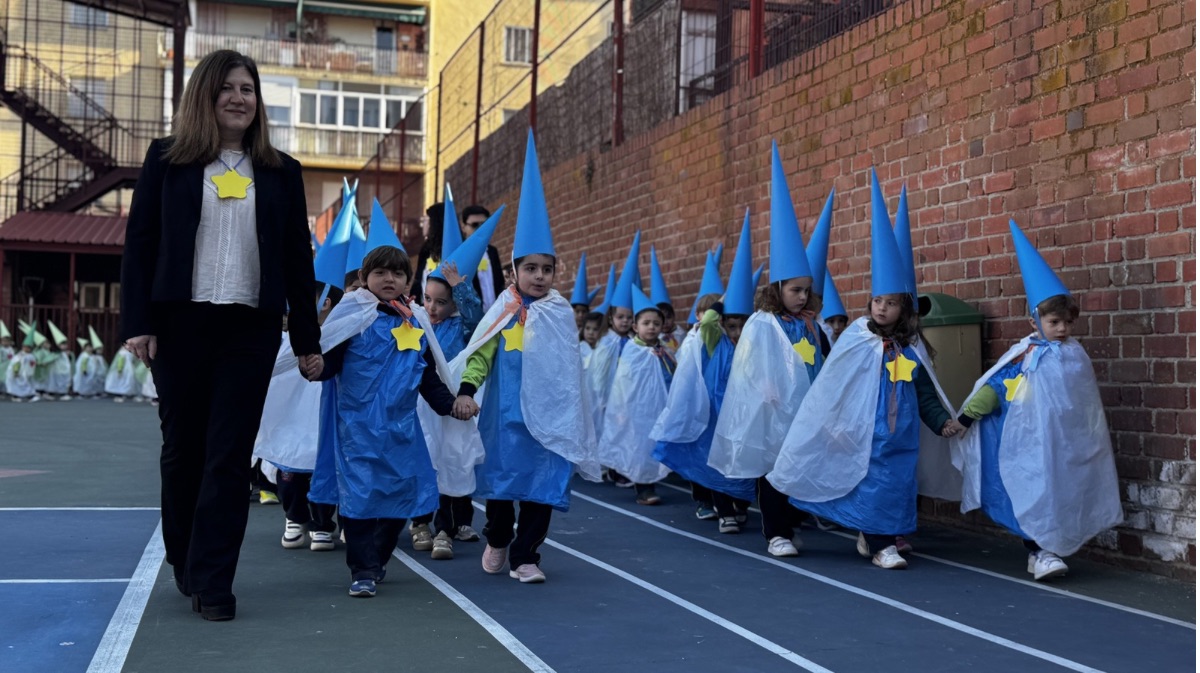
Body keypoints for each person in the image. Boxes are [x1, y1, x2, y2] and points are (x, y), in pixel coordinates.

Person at [120, 50, 322, 621]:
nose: (240, 98)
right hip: (179, 324)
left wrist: (307, 341)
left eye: (249, 89)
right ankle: (185, 555)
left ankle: (214, 579)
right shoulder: (168, 160)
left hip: (248, 329)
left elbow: (295, 261)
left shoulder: (282, 171)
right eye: (228, 88)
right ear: (205, 96)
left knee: (229, 455)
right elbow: (141, 243)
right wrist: (137, 322)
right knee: (184, 449)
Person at [768, 169, 963, 570]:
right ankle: (877, 543)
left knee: (895, 484)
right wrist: (832, 423)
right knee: (867, 479)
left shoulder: (910, 351)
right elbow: (835, 386)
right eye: (876, 300)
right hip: (863, 430)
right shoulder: (858, 338)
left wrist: (941, 420)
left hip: (900, 435)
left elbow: (924, 390)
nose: (881, 308)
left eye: (890, 303)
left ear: (904, 309)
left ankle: (879, 536)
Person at [454, 131, 599, 584]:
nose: (539, 276)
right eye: (530, 268)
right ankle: (498, 536)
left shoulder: (558, 313)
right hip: (507, 415)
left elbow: (568, 369)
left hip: (549, 419)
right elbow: (480, 354)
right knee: (504, 484)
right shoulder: (503, 311)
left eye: (547, 269)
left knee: (544, 482)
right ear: (513, 271)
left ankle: (527, 555)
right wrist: (466, 388)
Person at [954, 221, 1122, 580]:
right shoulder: (1025, 357)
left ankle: (1050, 549)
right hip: (1030, 442)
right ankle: (1039, 552)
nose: (1062, 329)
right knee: (1036, 492)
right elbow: (993, 389)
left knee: (1062, 492)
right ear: (1036, 320)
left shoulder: (1075, 355)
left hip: (1067, 444)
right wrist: (965, 419)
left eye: (1067, 322)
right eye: (1054, 321)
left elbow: (1083, 402)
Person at [313, 246, 472, 597]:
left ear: (407, 280)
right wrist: (316, 370)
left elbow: (427, 374)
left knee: (400, 499)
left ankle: (379, 559)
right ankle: (362, 569)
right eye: (381, 272)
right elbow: (332, 360)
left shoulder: (414, 319)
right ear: (363, 278)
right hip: (355, 429)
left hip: (401, 430)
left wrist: (451, 405)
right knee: (359, 500)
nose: (389, 279)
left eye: (397, 273)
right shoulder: (352, 315)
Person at [708, 153, 830, 559]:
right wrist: (769, 390)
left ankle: (791, 524)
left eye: (806, 290)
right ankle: (775, 531)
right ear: (777, 288)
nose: (802, 296)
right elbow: (752, 366)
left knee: (798, 469)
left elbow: (821, 364)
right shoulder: (763, 323)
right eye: (794, 290)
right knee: (773, 470)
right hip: (775, 409)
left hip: (805, 411)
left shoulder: (813, 324)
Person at [653, 214, 758, 533]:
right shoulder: (712, 338)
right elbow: (711, 320)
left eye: (742, 324)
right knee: (717, 463)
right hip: (716, 412)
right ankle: (723, 509)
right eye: (731, 324)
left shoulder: (752, 343)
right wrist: (723, 302)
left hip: (743, 412)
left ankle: (739, 505)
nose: (736, 330)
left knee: (741, 463)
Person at [416, 207, 499, 559]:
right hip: (424, 405)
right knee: (426, 460)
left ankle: (447, 528)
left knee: (453, 460)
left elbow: (477, 319)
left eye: (441, 302)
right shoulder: (419, 326)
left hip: (455, 405)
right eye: (428, 300)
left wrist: (461, 289)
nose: (432, 308)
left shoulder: (460, 327)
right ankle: (420, 521)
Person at [254, 282, 344, 553]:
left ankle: (322, 523)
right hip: (292, 416)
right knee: (290, 469)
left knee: (323, 468)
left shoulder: (341, 335)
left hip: (323, 414)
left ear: (325, 302)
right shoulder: (286, 336)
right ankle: (295, 517)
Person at [599, 286, 674, 506]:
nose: (652, 327)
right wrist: (621, 409)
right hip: (636, 410)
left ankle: (648, 480)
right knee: (639, 446)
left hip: (658, 407)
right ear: (635, 326)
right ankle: (643, 487)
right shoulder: (632, 350)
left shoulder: (664, 350)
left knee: (654, 445)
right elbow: (623, 383)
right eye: (646, 323)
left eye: (656, 324)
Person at [460, 204, 507, 310]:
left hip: (495, 316)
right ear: (463, 227)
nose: (480, 228)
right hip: (473, 318)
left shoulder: (492, 252)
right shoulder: (460, 253)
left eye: (484, 224)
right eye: (475, 225)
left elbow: (499, 283)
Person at [6, 324, 39, 402]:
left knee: (25, 384)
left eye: (28, 347)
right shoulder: (20, 355)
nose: (26, 348)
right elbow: (16, 363)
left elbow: (33, 363)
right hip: (19, 373)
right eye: (25, 347)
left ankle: (28, 395)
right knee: (18, 384)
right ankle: (17, 395)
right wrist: (16, 371)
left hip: (27, 373)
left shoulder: (31, 355)